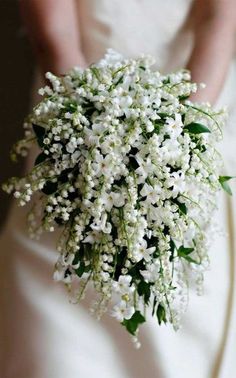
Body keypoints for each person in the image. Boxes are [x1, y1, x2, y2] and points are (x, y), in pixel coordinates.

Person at [0, 0, 235, 377]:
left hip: (191, 112)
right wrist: (92, 139)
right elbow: (56, 40)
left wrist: (177, 141)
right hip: (77, 123)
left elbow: (219, 16)